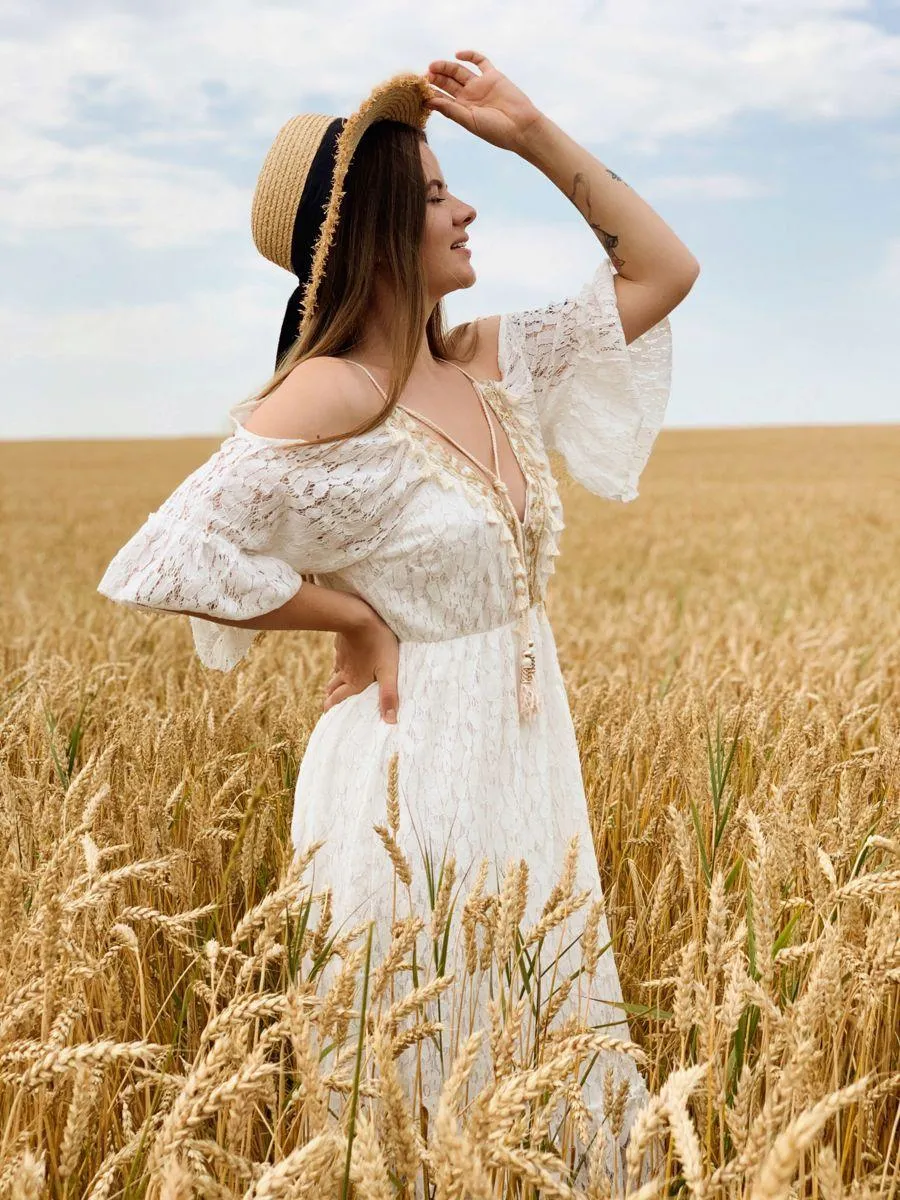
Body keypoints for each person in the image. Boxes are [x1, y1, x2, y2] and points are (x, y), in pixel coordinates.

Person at [98, 54, 698, 1190]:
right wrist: (354, 621)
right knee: (424, 1090)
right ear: (375, 226)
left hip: (521, 766)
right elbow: (166, 554)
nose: (466, 208)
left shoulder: (483, 363)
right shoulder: (335, 391)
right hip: (403, 777)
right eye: (432, 194)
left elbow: (665, 268)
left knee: (538, 1045)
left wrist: (529, 132)